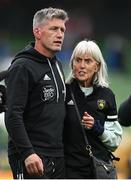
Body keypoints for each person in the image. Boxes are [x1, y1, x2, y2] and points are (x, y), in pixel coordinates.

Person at [5, 7, 69, 179]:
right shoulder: (22, 66)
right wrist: (27, 153)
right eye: (54, 29)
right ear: (37, 32)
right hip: (32, 156)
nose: (60, 34)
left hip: (57, 156)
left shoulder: (57, 65)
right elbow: (12, 115)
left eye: (62, 29)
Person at [64, 40, 122, 179]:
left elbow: (115, 141)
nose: (82, 66)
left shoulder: (106, 95)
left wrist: (97, 127)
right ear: (72, 64)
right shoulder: (64, 92)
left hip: (98, 170)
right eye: (78, 60)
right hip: (69, 171)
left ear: (97, 66)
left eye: (88, 61)